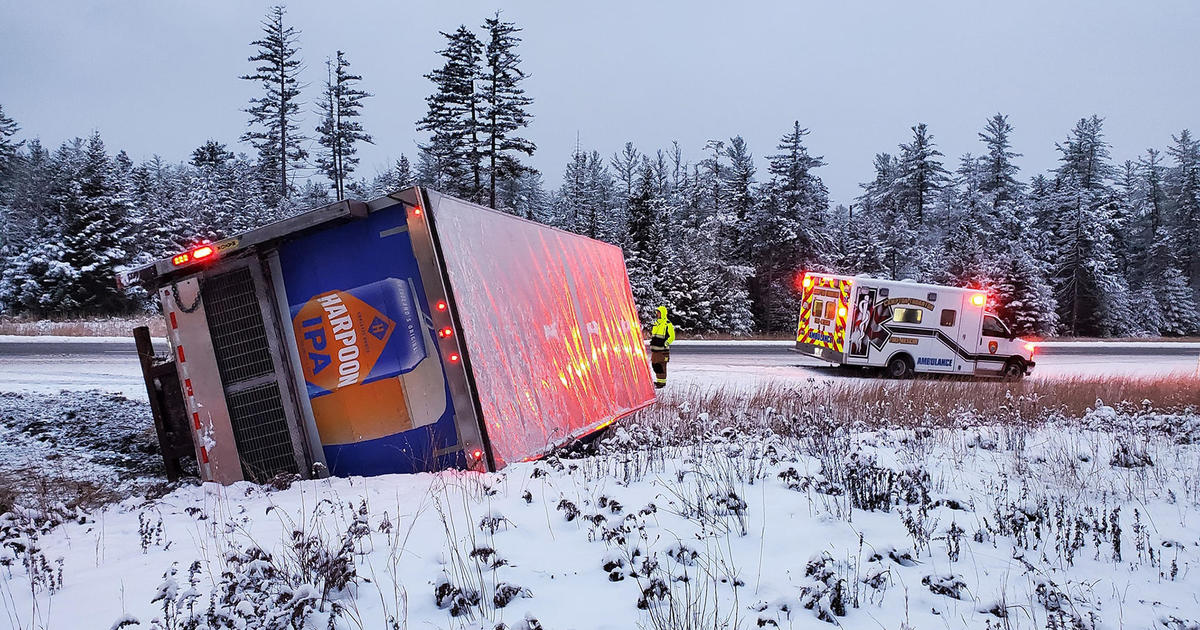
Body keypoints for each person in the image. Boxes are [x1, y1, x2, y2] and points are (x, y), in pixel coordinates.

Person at [649, 306, 675, 388]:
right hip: (655, 349)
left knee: (661, 366)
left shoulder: (668, 324)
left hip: (662, 350)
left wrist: (666, 343)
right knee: (655, 365)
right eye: (657, 312)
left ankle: (662, 382)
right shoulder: (656, 323)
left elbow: (672, 336)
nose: (657, 314)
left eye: (659, 312)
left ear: (663, 313)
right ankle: (659, 380)